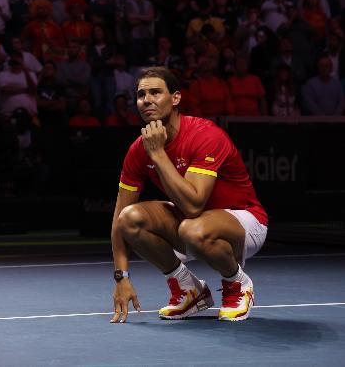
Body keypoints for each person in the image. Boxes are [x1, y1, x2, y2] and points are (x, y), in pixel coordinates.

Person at [110, 67, 268, 323]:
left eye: (155, 92)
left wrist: (158, 155)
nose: (146, 99)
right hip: (192, 224)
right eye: (141, 94)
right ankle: (188, 289)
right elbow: (119, 220)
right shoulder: (138, 150)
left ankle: (236, 282)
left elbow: (194, 205)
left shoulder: (205, 135)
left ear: (175, 98)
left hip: (244, 221)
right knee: (130, 219)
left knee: (192, 229)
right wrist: (121, 277)